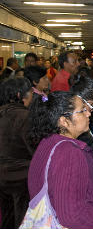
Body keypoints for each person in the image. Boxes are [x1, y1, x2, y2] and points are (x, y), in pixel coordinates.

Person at [28, 91, 93, 228]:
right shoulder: (70, 154)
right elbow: (72, 215)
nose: (88, 113)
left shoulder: (48, 142)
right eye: (82, 110)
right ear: (64, 121)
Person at [0, 78, 34, 229]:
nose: (32, 95)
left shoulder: (2, 112)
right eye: (31, 92)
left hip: (2, 177)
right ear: (21, 95)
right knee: (22, 219)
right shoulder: (25, 117)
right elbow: (34, 150)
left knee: (7, 215)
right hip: (21, 178)